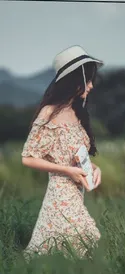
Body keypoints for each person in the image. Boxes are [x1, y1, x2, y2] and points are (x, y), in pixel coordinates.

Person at [21, 45, 104, 259]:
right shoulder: (49, 113)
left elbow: (79, 156)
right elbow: (28, 158)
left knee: (63, 252)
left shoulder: (77, 113)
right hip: (60, 194)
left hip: (77, 193)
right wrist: (66, 171)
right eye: (88, 80)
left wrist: (94, 168)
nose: (91, 86)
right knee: (72, 247)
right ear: (74, 82)